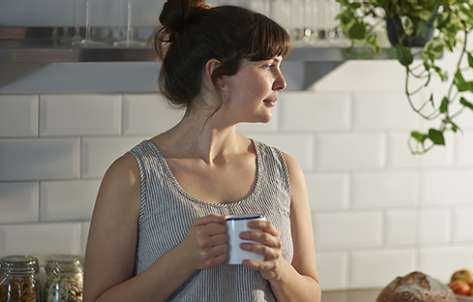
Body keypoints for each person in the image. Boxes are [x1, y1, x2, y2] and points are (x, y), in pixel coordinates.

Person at [82, 1, 321, 301]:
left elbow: (311, 295)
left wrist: (278, 269)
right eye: (267, 66)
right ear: (217, 74)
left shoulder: (284, 170)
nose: (281, 81)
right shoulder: (131, 176)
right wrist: (182, 260)